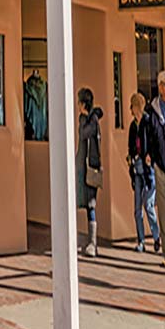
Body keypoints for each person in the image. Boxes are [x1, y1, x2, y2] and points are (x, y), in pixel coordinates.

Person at [147, 71, 165, 265]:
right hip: (161, 166)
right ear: (159, 87)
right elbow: (149, 135)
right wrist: (151, 156)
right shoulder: (153, 111)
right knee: (164, 213)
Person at [128, 92, 161, 253]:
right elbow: (130, 146)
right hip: (137, 168)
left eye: (133, 106)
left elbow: (154, 141)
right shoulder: (133, 126)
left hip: (148, 170)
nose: (132, 110)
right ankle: (141, 240)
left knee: (148, 205)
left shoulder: (148, 122)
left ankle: (156, 236)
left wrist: (150, 156)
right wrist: (130, 158)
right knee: (137, 208)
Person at [76, 87, 103, 258]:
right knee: (85, 205)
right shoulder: (89, 119)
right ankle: (87, 241)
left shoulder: (91, 121)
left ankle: (93, 243)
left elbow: (83, 134)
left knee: (91, 204)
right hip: (83, 167)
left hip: (90, 168)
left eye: (79, 102)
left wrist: (83, 119)